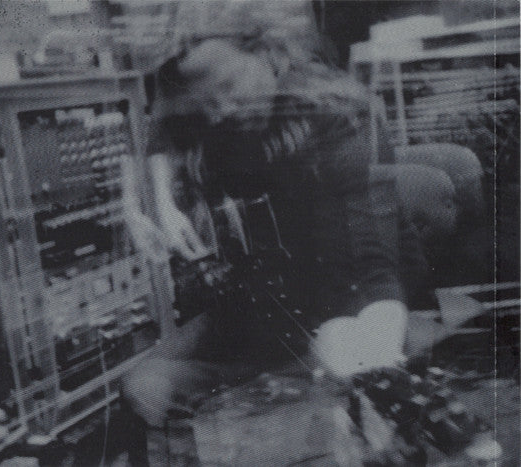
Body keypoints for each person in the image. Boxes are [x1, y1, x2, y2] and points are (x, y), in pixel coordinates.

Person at [119, 34, 425, 465]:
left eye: (228, 88)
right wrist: (157, 201)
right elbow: (163, 124)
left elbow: (367, 255)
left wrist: (369, 348)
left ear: (263, 55)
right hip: (263, 306)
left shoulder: (334, 114)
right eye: (208, 103)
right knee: (142, 387)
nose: (222, 110)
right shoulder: (229, 107)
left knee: (336, 407)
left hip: (343, 308)